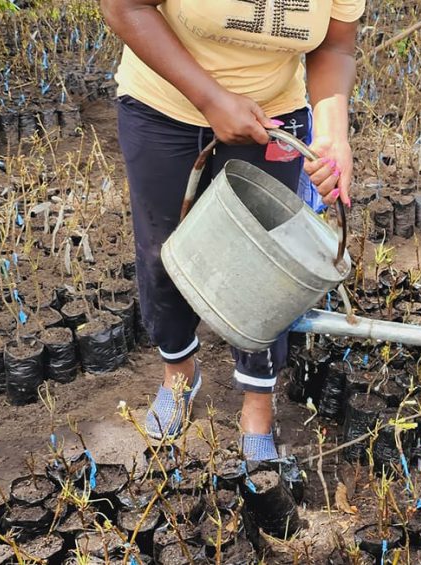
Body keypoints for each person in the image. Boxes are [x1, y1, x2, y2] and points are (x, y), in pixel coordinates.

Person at [101, 0, 361, 461]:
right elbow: (124, 7)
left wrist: (332, 131)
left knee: (267, 272)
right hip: (164, 109)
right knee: (165, 251)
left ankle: (258, 408)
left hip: (272, 119)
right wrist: (211, 100)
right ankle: (179, 373)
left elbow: (336, 47)